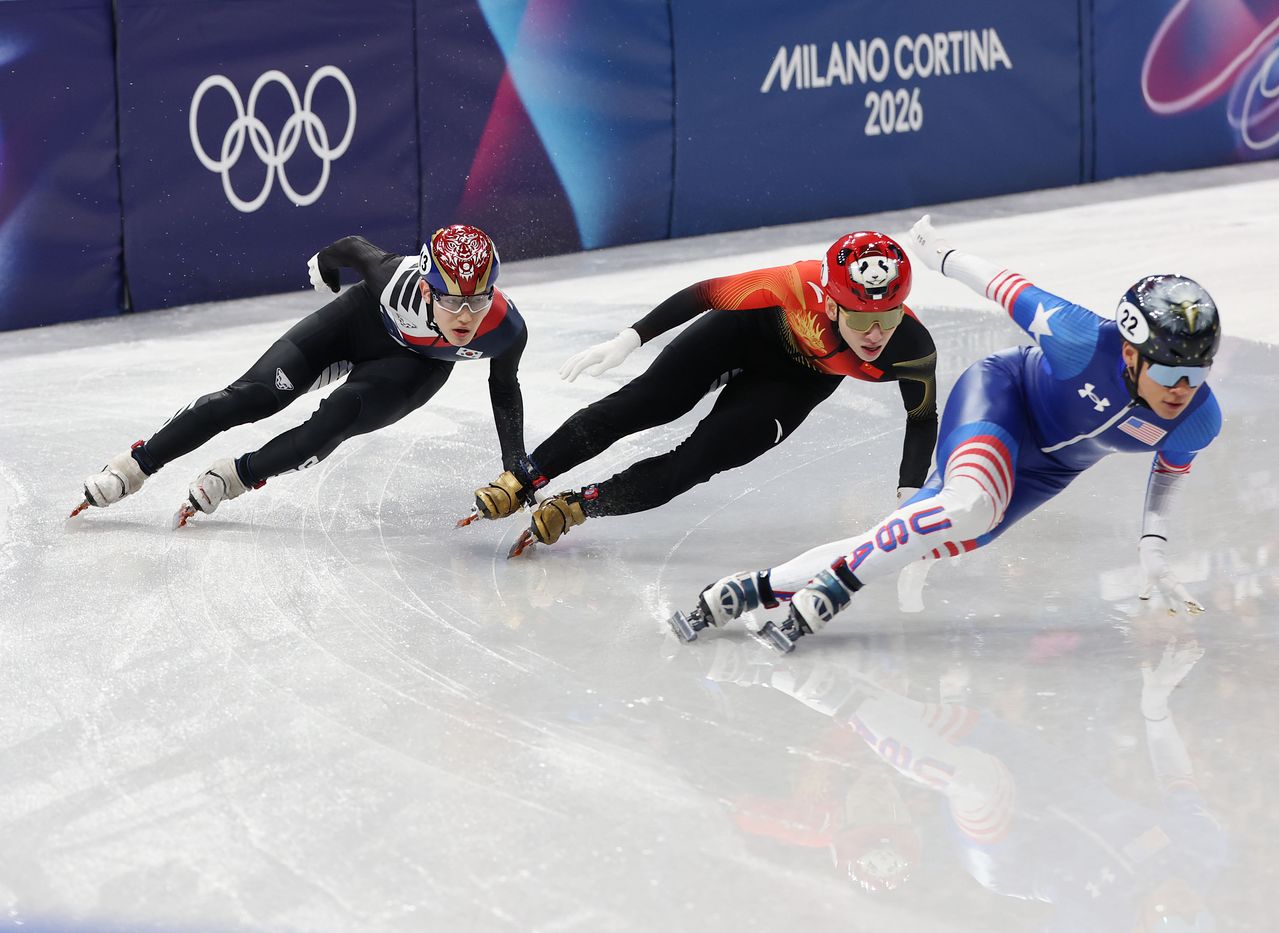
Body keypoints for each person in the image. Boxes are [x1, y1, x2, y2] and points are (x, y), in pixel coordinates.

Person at [674, 215, 1223, 652]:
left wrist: (1153, 549)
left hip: (1049, 469)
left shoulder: (1199, 416)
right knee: (967, 506)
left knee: (930, 535)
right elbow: (1007, 288)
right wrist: (938, 254)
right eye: (1172, 372)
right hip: (1003, 397)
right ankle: (837, 588)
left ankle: (756, 587)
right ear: (1129, 352)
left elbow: (1169, 471)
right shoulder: (1079, 338)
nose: (1183, 389)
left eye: (1198, 373)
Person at [468, 231, 939, 556]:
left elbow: (921, 417)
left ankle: (579, 506)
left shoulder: (912, 349)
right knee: (644, 403)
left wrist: (909, 496)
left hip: (794, 385)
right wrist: (630, 338)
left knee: (696, 461)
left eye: (890, 315)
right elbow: (706, 293)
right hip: (743, 333)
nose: (875, 333)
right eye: (859, 318)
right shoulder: (798, 282)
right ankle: (525, 478)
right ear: (832, 302)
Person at [72, 224, 528, 525]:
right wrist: (324, 266)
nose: (465, 315)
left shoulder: (505, 328)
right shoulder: (392, 279)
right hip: (359, 322)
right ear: (427, 290)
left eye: (478, 299)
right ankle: (134, 466)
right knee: (251, 396)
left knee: (334, 422)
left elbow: (504, 389)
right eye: (451, 300)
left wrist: (514, 466)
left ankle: (235, 477)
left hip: (413, 369)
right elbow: (350, 248)